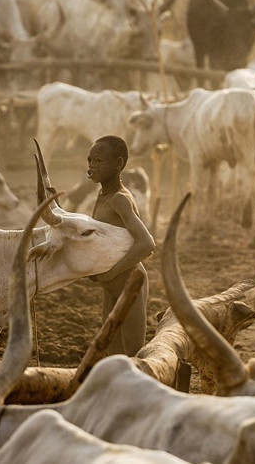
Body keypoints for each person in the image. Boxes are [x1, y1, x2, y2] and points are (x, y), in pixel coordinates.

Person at [88, 135, 155, 356]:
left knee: (133, 354)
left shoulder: (119, 199)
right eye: (89, 160)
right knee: (111, 353)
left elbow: (146, 243)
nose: (91, 166)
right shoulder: (102, 195)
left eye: (98, 161)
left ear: (118, 164)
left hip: (130, 285)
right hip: (111, 287)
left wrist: (112, 272)